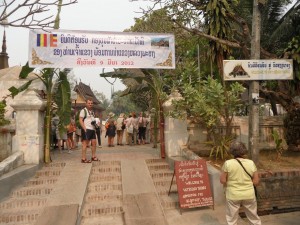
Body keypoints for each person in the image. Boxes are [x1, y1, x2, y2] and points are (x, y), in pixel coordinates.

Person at [220, 141, 261, 225]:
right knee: (253, 218)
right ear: (244, 151)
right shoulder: (251, 163)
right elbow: (256, 182)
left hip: (233, 195)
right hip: (249, 194)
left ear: (232, 152)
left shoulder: (228, 164)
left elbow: (222, 180)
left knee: (232, 219)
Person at [79, 98, 99, 163]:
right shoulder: (83, 111)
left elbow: (92, 120)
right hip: (86, 129)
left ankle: (93, 156)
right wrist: (84, 128)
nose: (90, 104)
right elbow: (80, 120)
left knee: (94, 143)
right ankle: (83, 158)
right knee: (85, 144)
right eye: (89, 103)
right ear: (86, 104)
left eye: (91, 103)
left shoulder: (92, 112)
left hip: (92, 129)